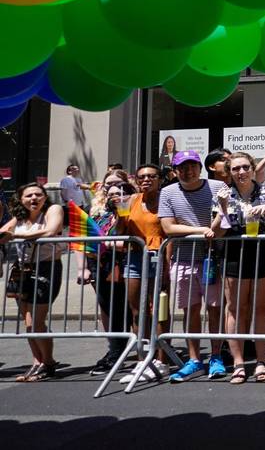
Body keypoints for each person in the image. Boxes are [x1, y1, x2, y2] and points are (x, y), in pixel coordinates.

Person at [214, 152, 265, 384]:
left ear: (253, 168)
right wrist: (224, 208)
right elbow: (217, 232)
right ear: (230, 172)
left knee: (261, 307)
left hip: (262, 251)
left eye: (245, 167)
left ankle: (261, 361)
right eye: (236, 169)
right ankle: (238, 363)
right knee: (235, 308)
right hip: (234, 254)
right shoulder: (224, 193)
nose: (241, 172)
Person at [159, 150, 228, 383]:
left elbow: (224, 218)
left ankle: (216, 356)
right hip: (183, 259)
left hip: (213, 259)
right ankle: (194, 359)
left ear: (200, 168)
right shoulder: (168, 192)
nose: (187, 171)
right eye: (182, 167)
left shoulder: (217, 186)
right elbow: (168, 228)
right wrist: (202, 230)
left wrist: (212, 228)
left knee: (215, 309)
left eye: (192, 166)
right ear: (175, 170)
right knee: (190, 310)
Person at [0, 183, 66, 381]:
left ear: (45, 197)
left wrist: (17, 235)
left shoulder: (53, 210)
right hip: (22, 271)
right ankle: (38, 362)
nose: (34, 198)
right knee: (28, 322)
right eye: (29, 195)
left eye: (38, 194)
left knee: (37, 321)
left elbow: (50, 231)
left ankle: (48, 362)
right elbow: (3, 234)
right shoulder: (19, 217)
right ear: (21, 199)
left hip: (47, 268)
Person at [116, 164, 170, 383]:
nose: (146, 180)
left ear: (159, 179)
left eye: (151, 176)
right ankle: (142, 359)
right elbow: (120, 231)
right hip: (136, 257)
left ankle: (161, 359)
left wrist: (167, 265)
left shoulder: (166, 199)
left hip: (159, 256)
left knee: (159, 309)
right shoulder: (130, 200)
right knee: (137, 309)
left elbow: (169, 232)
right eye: (141, 177)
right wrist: (120, 215)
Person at [82, 173, 133, 376]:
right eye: (110, 190)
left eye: (119, 190)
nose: (114, 195)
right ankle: (115, 352)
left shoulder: (130, 211)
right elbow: (85, 241)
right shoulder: (98, 213)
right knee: (109, 309)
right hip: (103, 267)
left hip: (130, 266)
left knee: (130, 310)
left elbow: (132, 239)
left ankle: (136, 350)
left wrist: (111, 244)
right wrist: (84, 267)